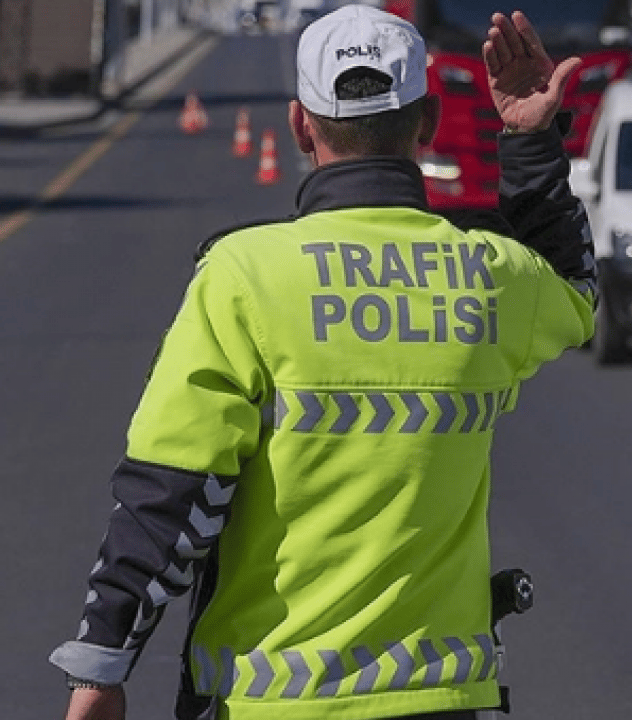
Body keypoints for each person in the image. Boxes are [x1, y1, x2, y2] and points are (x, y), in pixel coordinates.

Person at [49, 6, 595, 720]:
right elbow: (576, 293)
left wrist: (102, 664)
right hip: (445, 702)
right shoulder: (486, 274)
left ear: (301, 125)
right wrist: (527, 137)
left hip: (268, 702)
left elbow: (172, 491)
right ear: (425, 121)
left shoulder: (243, 276)